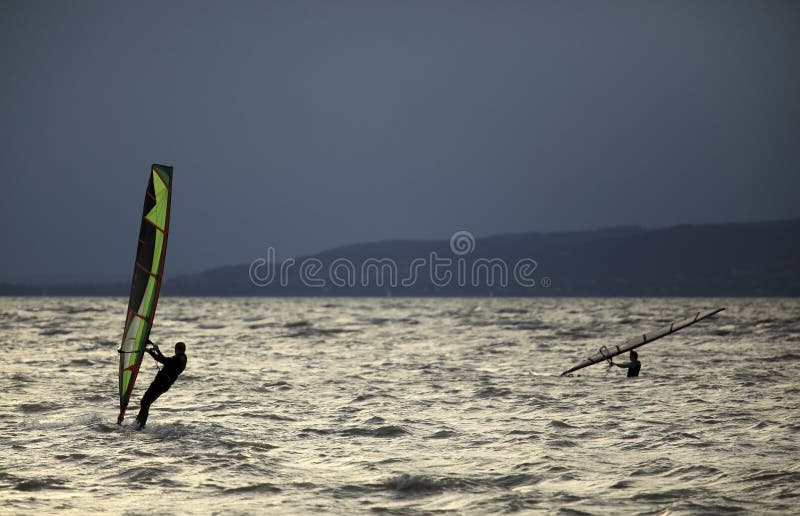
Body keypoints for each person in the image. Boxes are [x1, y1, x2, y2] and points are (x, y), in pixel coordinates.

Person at [135, 339, 187, 429]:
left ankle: (141, 426)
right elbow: (165, 360)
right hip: (163, 384)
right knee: (146, 402)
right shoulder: (182, 358)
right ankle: (138, 423)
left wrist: (148, 351)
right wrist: (157, 350)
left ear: (176, 349)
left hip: (161, 384)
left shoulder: (178, 359)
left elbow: (162, 360)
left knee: (145, 402)